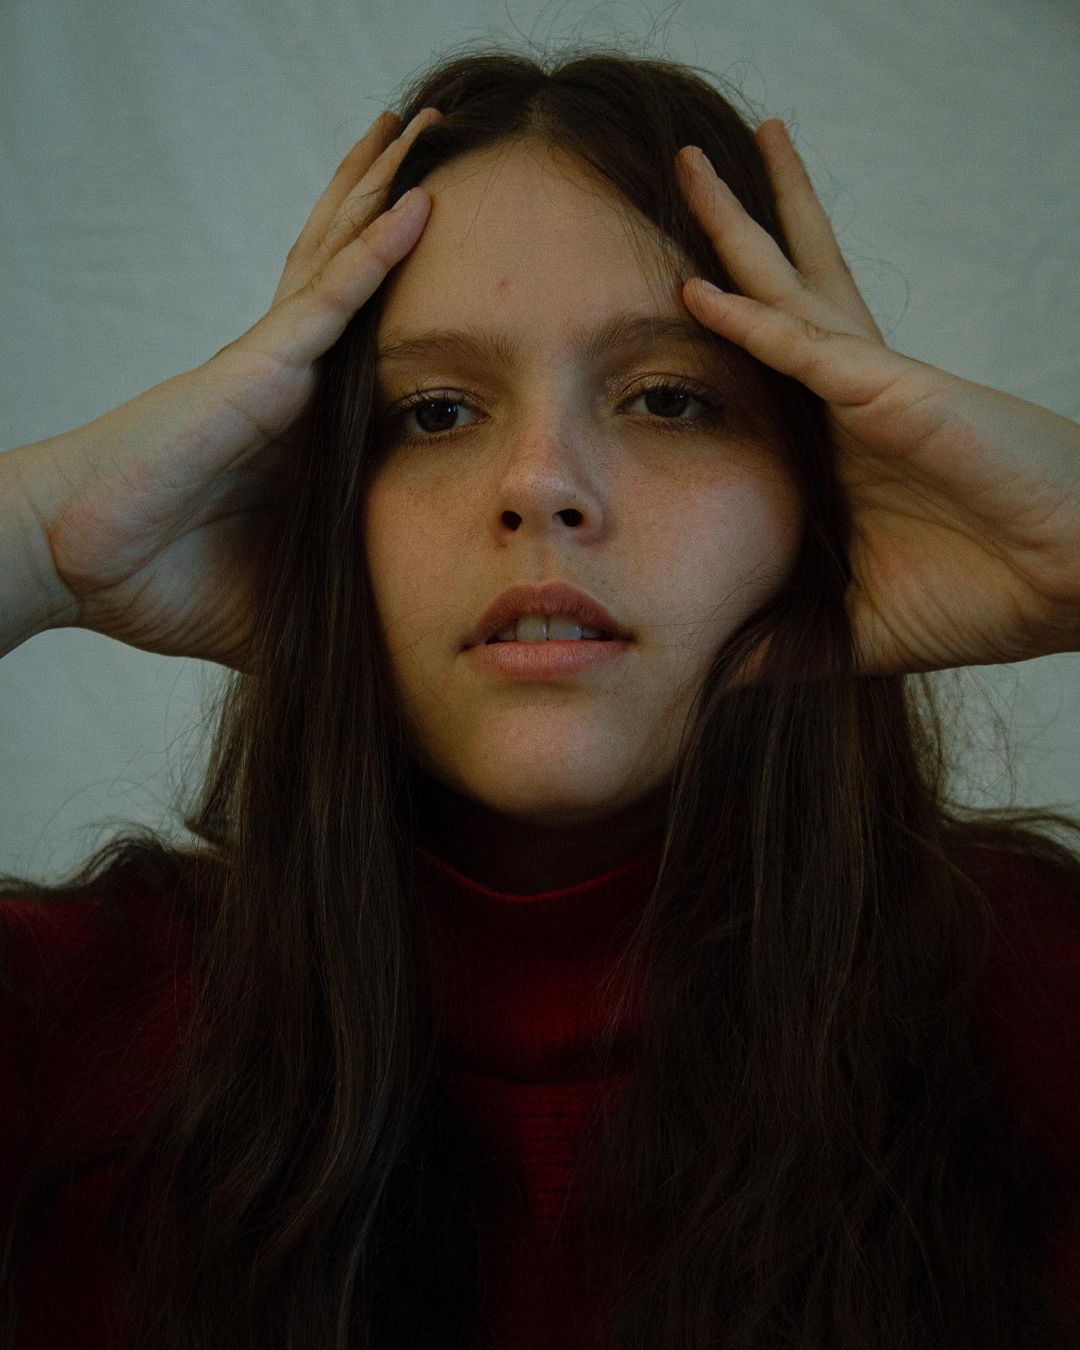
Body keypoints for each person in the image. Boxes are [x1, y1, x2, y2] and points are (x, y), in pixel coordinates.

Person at [2, 46, 1080, 1350]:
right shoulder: (70, 1030)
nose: (540, 483)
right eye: (435, 411)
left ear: (820, 492)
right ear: (328, 507)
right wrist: (42, 534)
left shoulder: (1042, 1006)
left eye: (668, 397)